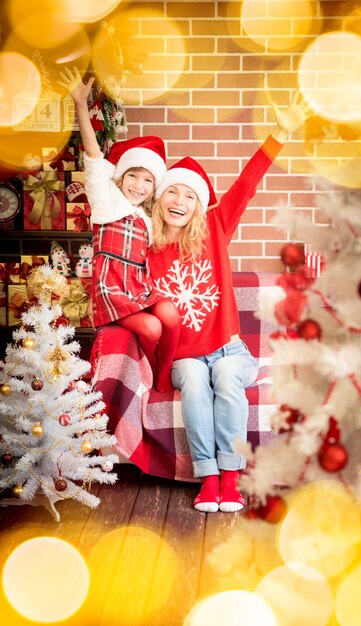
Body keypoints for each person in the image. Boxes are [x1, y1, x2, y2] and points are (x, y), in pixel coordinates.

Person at [148, 92, 308, 512]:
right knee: (198, 382)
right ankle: (209, 477)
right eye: (172, 193)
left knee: (223, 373)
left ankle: (232, 478)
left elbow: (247, 183)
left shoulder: (216, 227)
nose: (179, 201)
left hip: (229, 349)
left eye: (189, 196)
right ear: (158, 201)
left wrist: (280, 134)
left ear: (200, 205)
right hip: (184, 357)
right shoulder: (145, 246)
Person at [58, 67, 179, 393]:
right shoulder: (106, 200)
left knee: (168, 312)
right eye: (133, 176)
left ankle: (165, 367)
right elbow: (95, 158)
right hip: (111, 295)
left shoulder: (147, 218)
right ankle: (155, 374)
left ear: (154, 187)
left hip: (139, 291)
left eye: (147, 180)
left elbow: (170, 237)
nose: (138, 185)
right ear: (121, 177)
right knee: (152, 328)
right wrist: (81, 106)